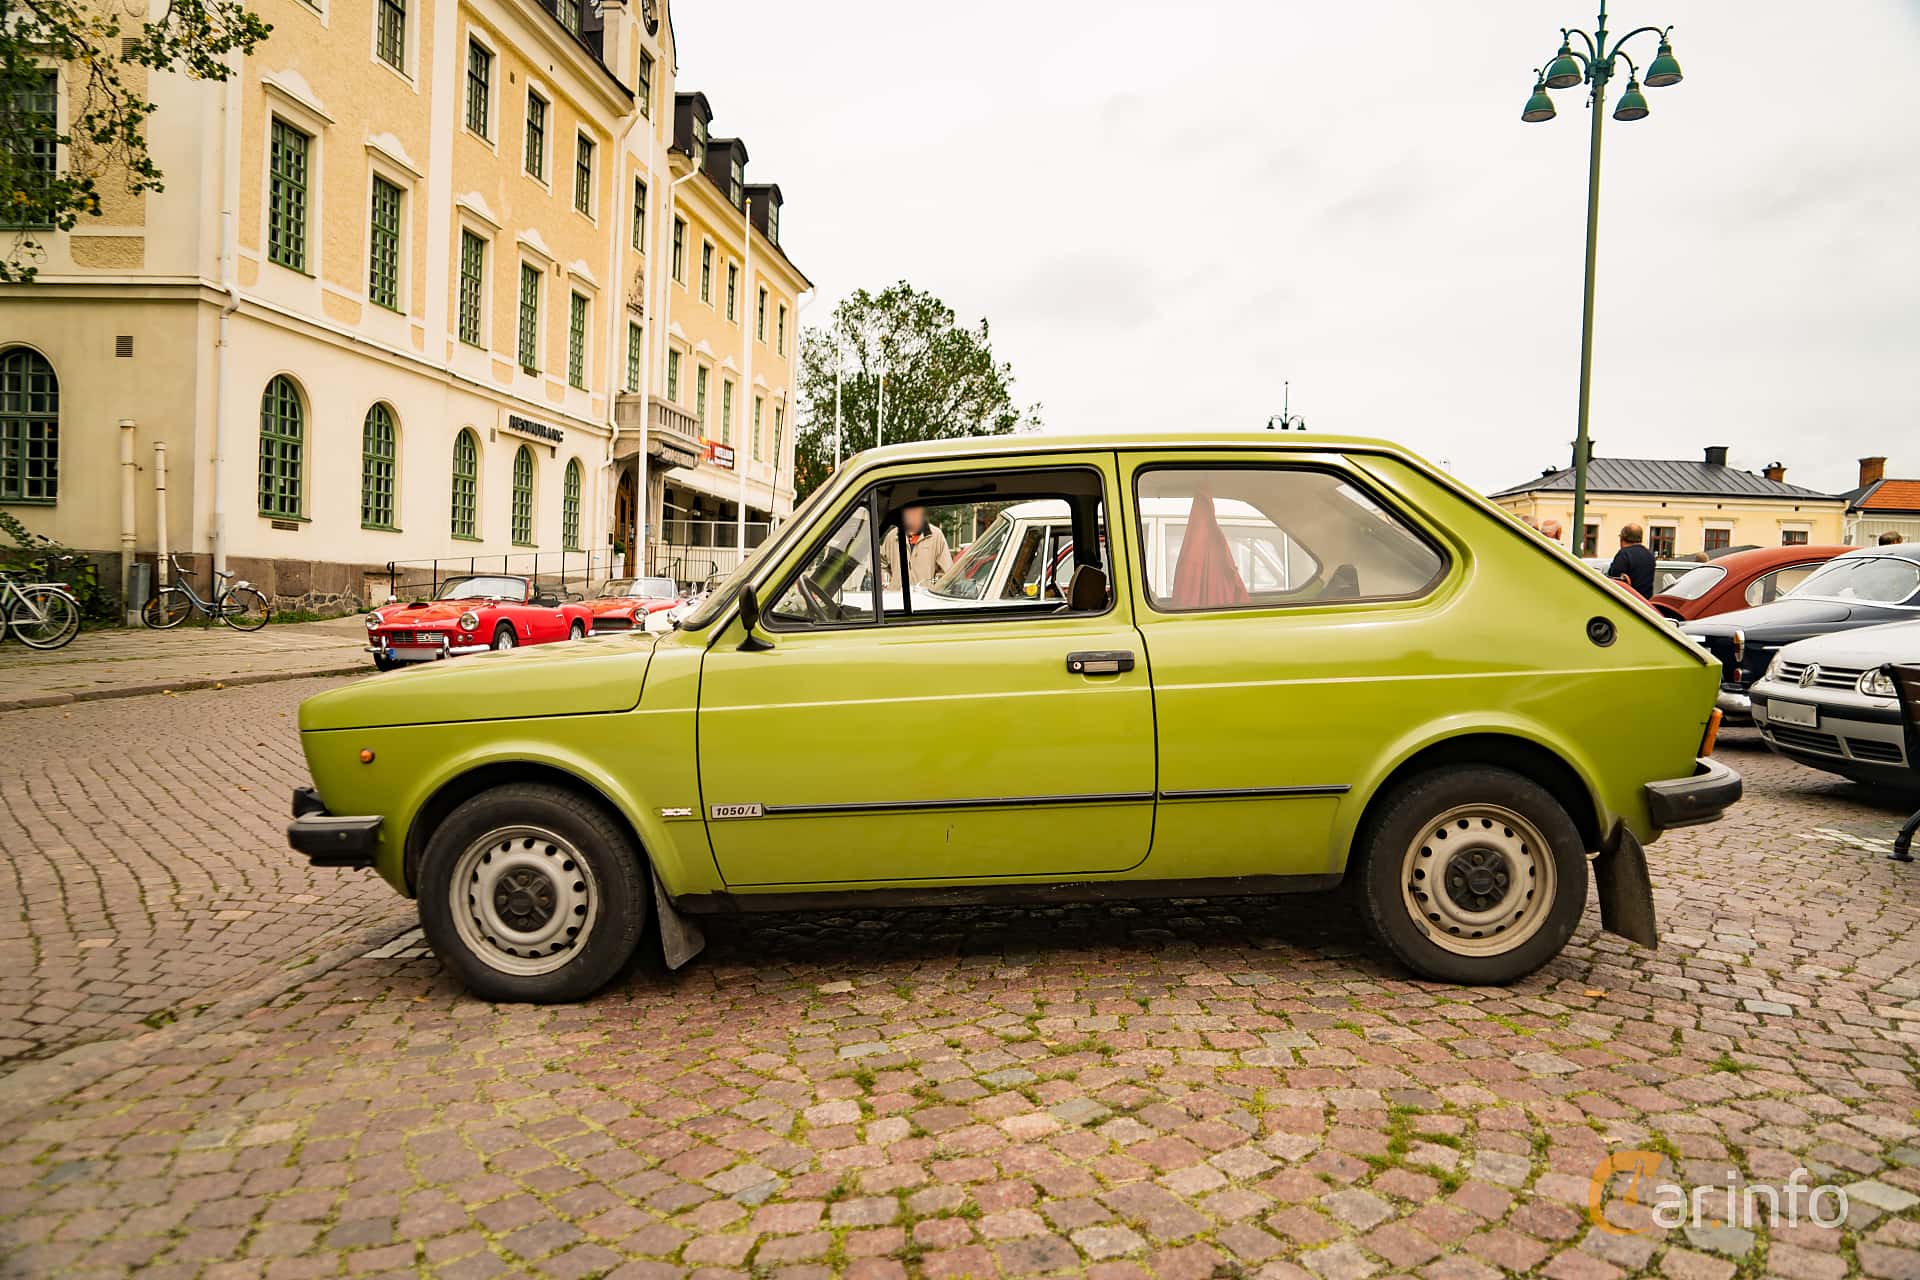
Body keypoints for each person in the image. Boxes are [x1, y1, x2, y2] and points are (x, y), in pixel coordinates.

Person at [879, 504, 952, 588]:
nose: (912, 516)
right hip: (896, 595)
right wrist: (888, 582)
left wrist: (932, 586)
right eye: (909, 512)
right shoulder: (892, 537)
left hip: (924, 595)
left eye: (916, 512)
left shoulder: (936, 536)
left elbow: (946, 571)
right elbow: (882, 565)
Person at [1607, 523, 1656, 597]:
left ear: (1622, 538)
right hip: (1645, 601)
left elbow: (1614, 580)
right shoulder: (1650, 555)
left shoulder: (1624, 555)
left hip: (1627, 600)